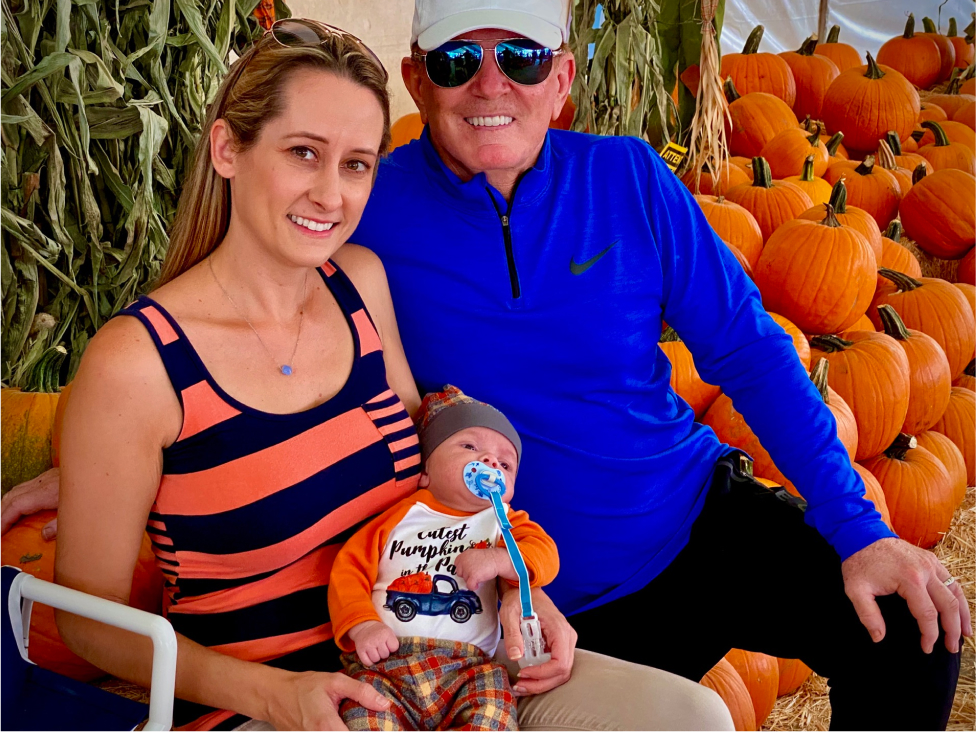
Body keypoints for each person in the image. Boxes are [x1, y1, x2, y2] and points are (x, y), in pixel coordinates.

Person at [3, 15, 735, 732]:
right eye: (302, 153)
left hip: (442, 655)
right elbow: (90, 625)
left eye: (356, 163)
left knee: (690, 716)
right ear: (227, 148)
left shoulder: (360, 284)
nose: (332, 193)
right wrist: (270, 697)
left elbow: (430, 452)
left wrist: (518, 578)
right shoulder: (139, 363)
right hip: (274, 703)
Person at [345, 1, 967, 729]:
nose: (491, 85)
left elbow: (749, 349)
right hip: (521, 599)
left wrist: (858, 531)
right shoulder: (367, 212)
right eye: (458, 62)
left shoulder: (628, 180)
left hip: (688, 525)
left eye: (522, 58)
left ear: (561, 77)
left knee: (908, 630)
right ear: (417, 82)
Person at [330, 385, 557, 730]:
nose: (491, 461)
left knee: (494, 710)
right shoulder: (397, 517)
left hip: (470, 668)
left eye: (506, 464)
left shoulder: (504, 522)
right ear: (424, 471)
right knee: (364, 709)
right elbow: (348, 571)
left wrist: (498, 559)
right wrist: (363, 625)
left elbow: (545, 554)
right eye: (469, 446)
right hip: (385, 663)